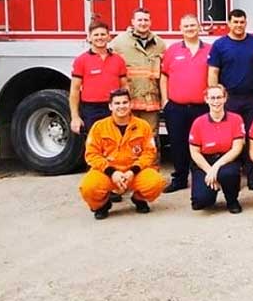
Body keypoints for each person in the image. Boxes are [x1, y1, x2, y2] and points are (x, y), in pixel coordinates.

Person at [79, 88, 165, 219]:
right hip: (107, 172)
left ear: (130, 104)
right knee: (88, 187)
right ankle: (102, 205)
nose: (121, 106)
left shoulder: (143, 126)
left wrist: (132, 171)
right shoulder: (99, 127)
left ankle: (139, 199)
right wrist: (112, 173)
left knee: (156, 183)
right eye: (117, 103)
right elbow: (92, 155)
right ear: (110, 106)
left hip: (134, 172)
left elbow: (149, 153)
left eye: (125, 102)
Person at [208, 8, 253, 188]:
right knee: (231, 136)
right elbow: (213, 72)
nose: (239, 25)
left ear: (246, 23)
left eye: (242, 22)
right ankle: (232, 175)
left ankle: (252, 173)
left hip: (252, 96)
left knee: (252, 135)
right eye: (235, 22)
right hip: (229, 98)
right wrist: (214, 95)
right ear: (229, 24)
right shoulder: (219, 45)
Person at [160, 14, 210, 193]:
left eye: (193, 25)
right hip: (176, 108)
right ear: (180, 29)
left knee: (202, 144)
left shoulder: (209, 50)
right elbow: (164, 76)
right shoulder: (172, 50)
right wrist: (165, 101)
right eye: (186, 26)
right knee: (178, 144)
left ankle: (203, 177)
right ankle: (180, 178)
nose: (190, 29)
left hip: (202, 107)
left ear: (199, 27)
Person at [188, 85, 245, 214]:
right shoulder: (198, 122)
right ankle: (210, 191)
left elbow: (237, 148)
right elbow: (194, 152)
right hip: (205, 162)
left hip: (227, 160)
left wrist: (216, 167)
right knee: (201, 202)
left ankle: (232, 200)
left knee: (228, 174)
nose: (216, 101)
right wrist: (209, 171)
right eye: (212, 98)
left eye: (219, 97)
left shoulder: (236, 119)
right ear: (206, 100)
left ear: (225, 99)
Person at [109, 7, 166, 132]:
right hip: (129, 101)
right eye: (139, 20)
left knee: (150, 137)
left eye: (146, 20)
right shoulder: (119, 42)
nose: (143, 23)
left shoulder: (159, 44)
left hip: (151, 102)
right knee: (129, 135)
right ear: (133, 22)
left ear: (150, 22)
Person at [70, 20, 128, 138]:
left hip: (114, 108)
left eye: (103, 34)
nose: (100, 37)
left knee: (116, 143)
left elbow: (124, 87)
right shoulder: (81, 60)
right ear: (89, 38)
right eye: (96, 35)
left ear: (109, 37)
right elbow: (74, 91)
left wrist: (126, 108)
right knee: (94, 145)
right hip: (91, 110)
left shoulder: (118, 60)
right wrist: (75, 117)